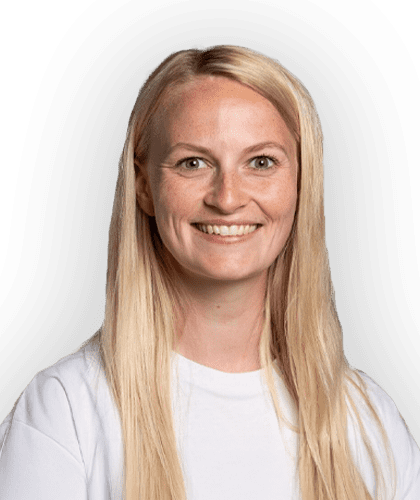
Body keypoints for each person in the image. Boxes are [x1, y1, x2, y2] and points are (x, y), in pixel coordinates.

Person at [0, 44, 419, 500]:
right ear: (144, 186)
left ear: (302, 183)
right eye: (193, 163)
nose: (227, 197)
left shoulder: (369, 421)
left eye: (261, 162)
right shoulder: (63, 411)